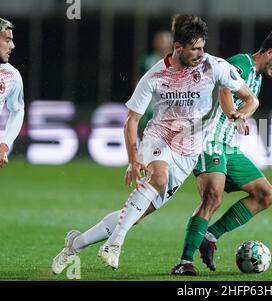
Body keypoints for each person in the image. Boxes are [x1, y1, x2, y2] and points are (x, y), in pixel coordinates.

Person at [51, 14, 259, 274]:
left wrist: (241, 114)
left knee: (134, 214)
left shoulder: (214, 66)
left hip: (188, 152)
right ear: (178, 48)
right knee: (158, 178)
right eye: (195, 48)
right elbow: (131, 120)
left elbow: (250, 99)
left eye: (203, 47)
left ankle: (76, 243)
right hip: (159, 137)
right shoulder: (155, 74)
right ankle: (114, 243)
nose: (201, 53)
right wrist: (133, 159)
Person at [170, 27, 272, 275]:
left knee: (265, 195)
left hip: (228, 146)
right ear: (270, 52)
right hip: (208, 140)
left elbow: (243, 104)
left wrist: (240, 117)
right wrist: (233, 115)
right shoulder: (242, 63)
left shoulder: (258, 77)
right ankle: (185, 263)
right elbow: (223, 88)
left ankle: (210, 234)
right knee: (213, 197)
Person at [137, 31, 173, 140]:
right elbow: (139, 81)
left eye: (163, 41)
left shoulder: (177, 60)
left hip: (170, 105)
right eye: (159, 40)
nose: (161, 43)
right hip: (150, 104)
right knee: (144, 133)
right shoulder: (147, 60)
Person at [0, 17, 25, 169]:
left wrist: (5, 145)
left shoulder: (11, 76)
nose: (13, 46)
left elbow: (18, 110)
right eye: (7, 40)